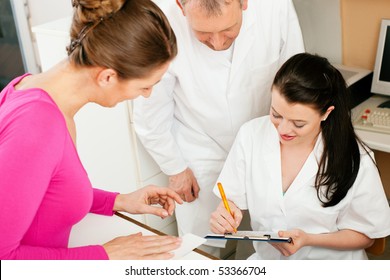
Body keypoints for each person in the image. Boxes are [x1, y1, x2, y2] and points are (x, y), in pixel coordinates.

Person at [0, 0, 181, 260]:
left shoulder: (31, 88)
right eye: (144, 87)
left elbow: (42, 189)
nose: (147, 95)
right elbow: (4, 257)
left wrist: (118, 201)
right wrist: (105, 255)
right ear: (107, 77)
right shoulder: (37, 126)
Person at [133, 0, 304, 256]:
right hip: (200, 149)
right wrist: (175, 167)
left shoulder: (275, 6)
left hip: (266, 143)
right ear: (181, 5)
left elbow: (296, 75)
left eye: (228, 30)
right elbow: (149, 112)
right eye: (202, 33)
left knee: (268, 243)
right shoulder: (159, 21)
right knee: (199, 247)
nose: (217, 43)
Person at [209, 53, 390, 259]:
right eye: (276, 114)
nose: (283, 129)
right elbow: (230, 199)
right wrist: (225, 214)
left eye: (299, 123)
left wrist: (309, 239)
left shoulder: (355, 158)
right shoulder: (250, 135)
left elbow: (367, 235)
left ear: (326, 113)